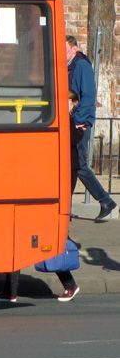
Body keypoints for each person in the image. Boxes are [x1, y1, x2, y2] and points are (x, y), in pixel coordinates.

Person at [66, 34, 116, 222]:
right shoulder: (71, 67)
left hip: (79, 124)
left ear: (74, 48)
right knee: (72, 165)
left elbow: (87, 96)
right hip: (73, 122)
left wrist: (79, 120)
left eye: (65, 49)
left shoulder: (81, 66)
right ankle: (67, 207)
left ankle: (105, 200)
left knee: (78, 165)